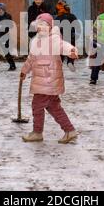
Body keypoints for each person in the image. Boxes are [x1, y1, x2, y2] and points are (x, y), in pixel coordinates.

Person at [20, 13, 78, 144]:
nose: (41, 27)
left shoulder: (54, 39)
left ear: (50, 27)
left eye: (44, 25)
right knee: (53, 107)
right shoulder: (36, 41)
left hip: (48, 80)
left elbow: (64, 46)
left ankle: (37, 132)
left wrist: (72, 51)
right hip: (43, 81)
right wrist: (24, 71)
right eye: (39, 25)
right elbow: (31, 59)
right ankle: (69, 130)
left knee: (37, 106)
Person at [0, 3, 16, 72]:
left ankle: (12, 65)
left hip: (5, 36)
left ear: (4, 9)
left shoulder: (8, 16)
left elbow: (11, 25)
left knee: (5, 51)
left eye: (0, 9)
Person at [55, 0, 78, 72]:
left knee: (60, 51)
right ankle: (70, 62)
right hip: (71, 36)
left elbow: (55, 27)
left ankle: (60, 63)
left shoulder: (58, 18)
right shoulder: (72, 16)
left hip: (61, 36)